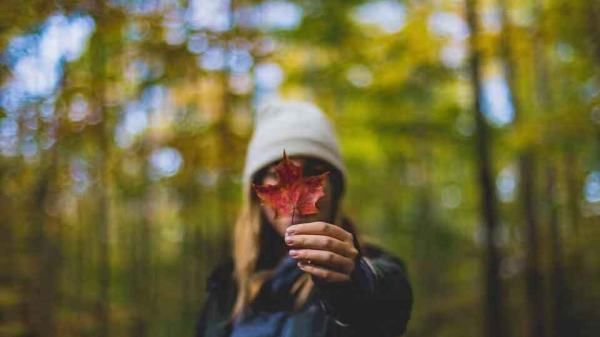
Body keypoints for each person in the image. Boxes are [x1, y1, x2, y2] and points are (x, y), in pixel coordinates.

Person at [195, 99, 413, 337]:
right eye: (277, 174)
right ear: (256, 193)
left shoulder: (365, 269)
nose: (296, 192)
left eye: (314, 173)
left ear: (334, 191)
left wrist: (355, 283)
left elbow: (387, 299)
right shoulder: (225, 289)